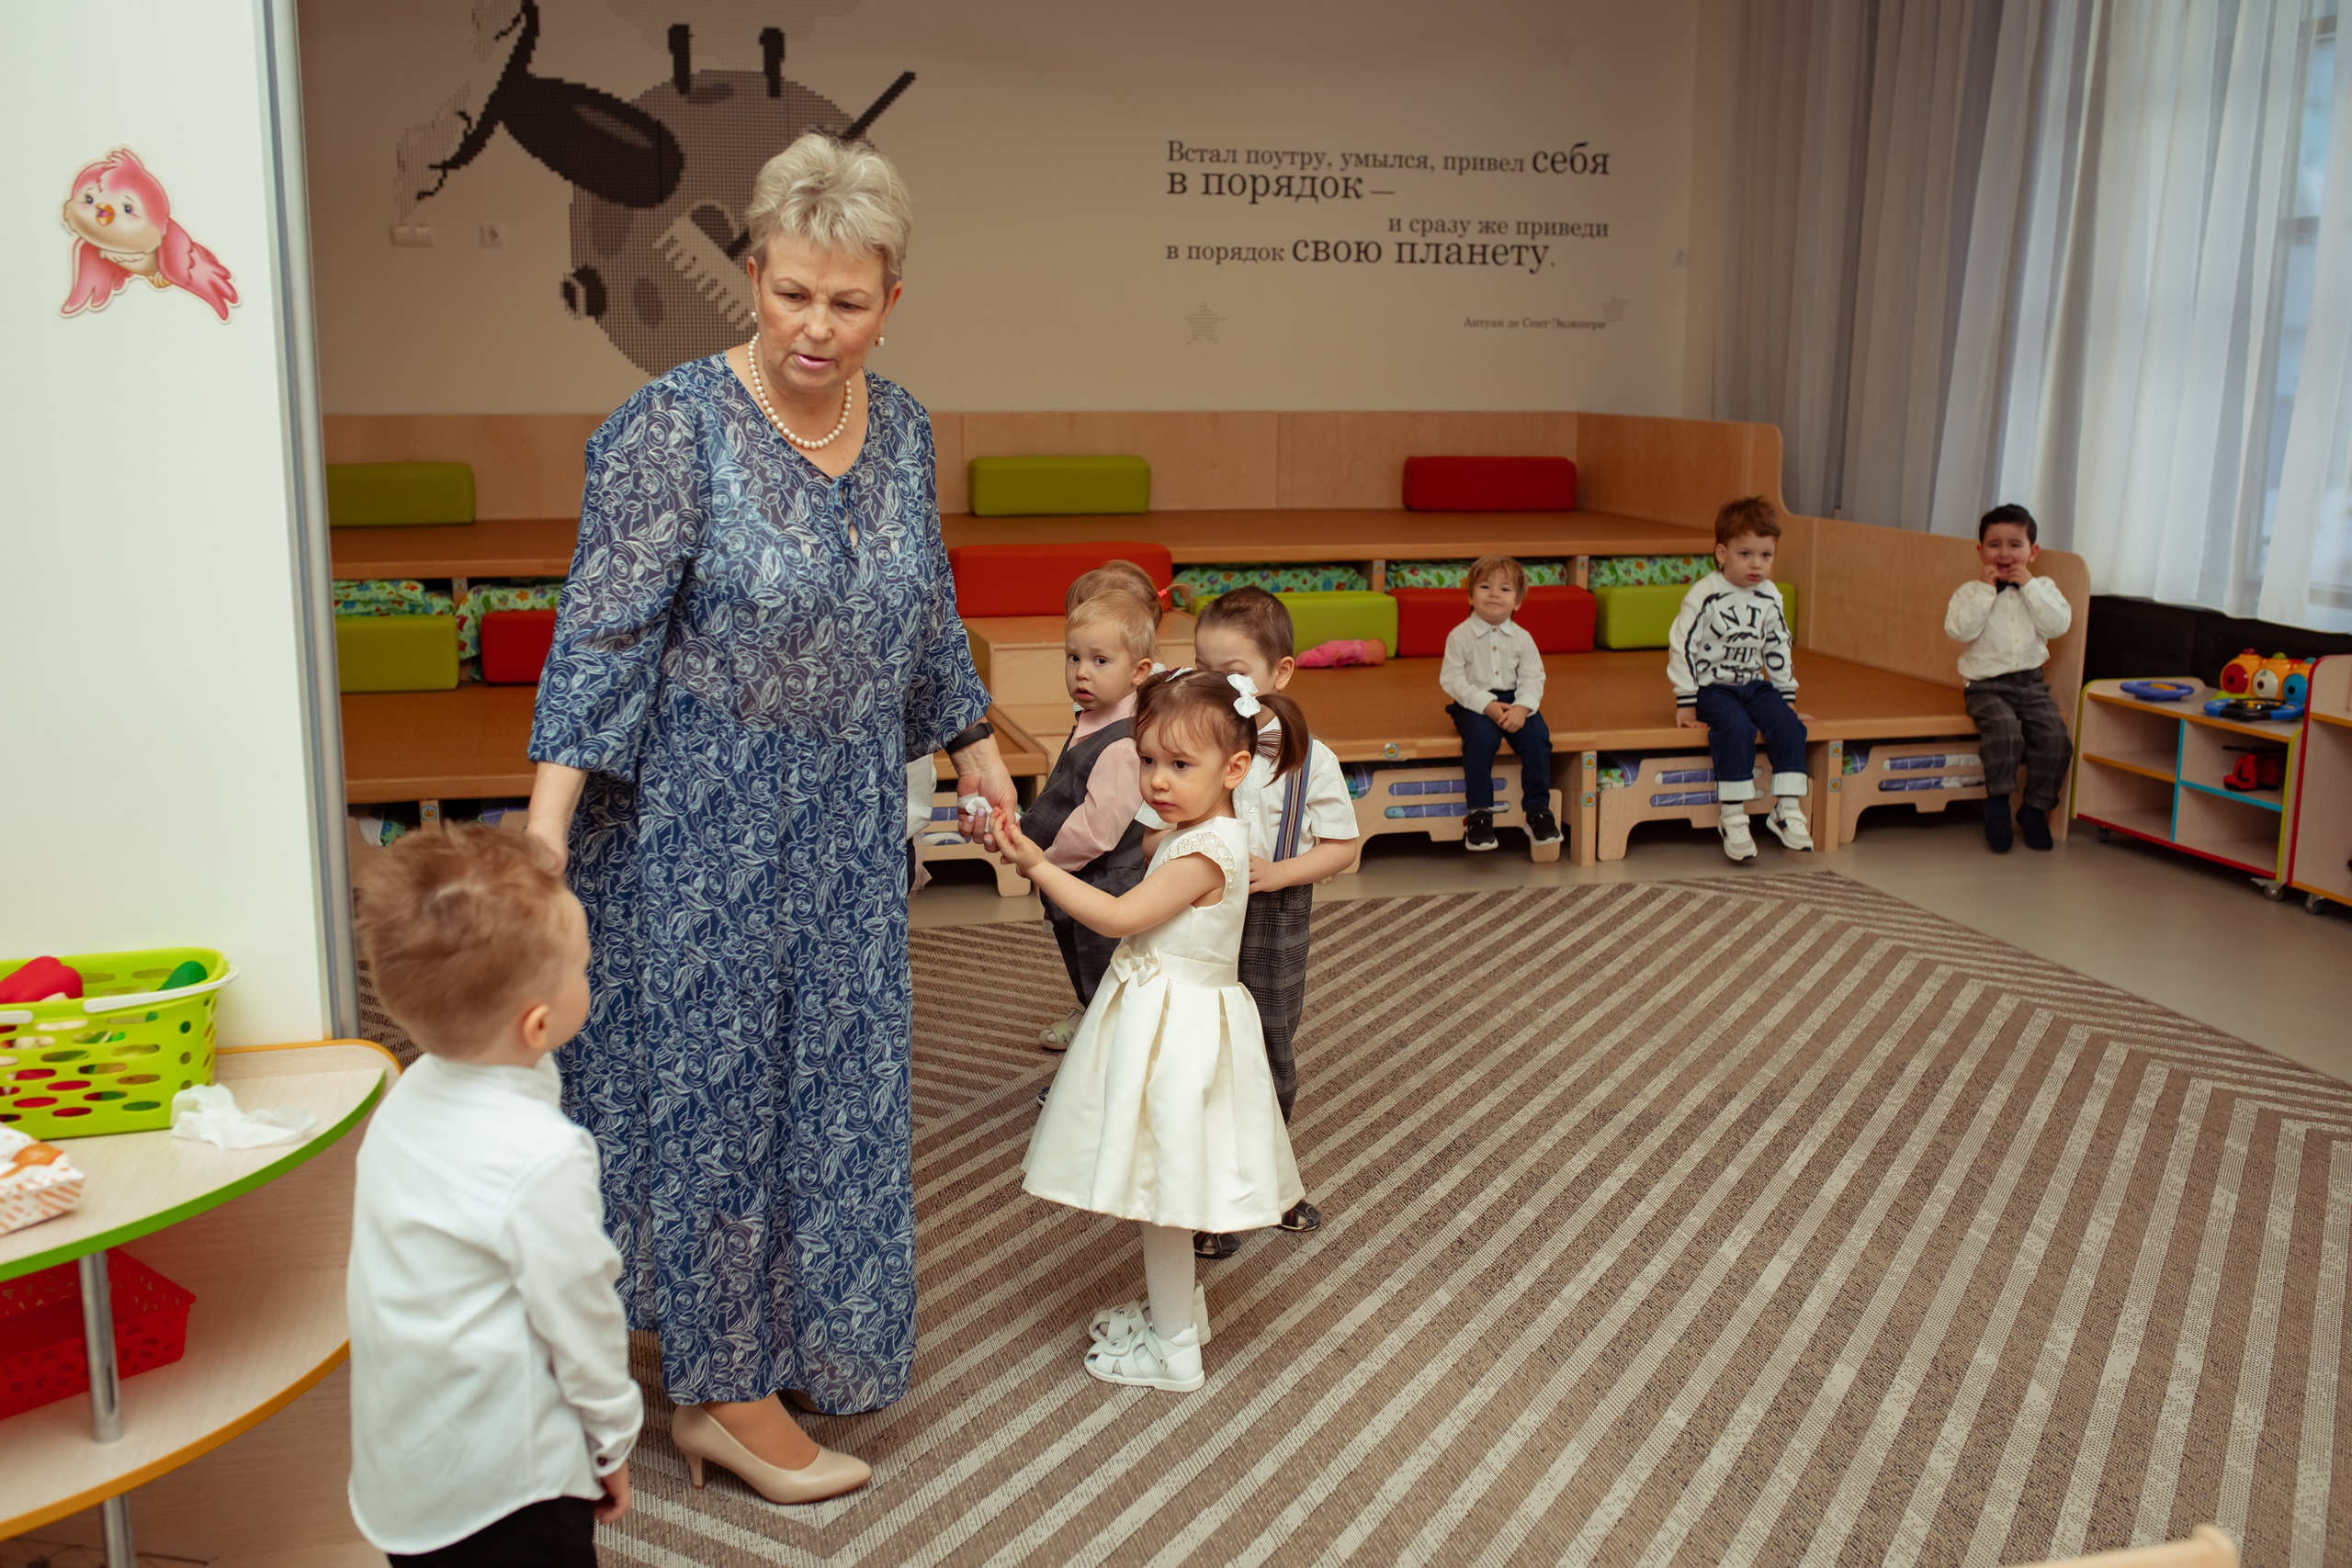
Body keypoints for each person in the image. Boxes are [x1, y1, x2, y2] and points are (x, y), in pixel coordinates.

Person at [524, 131, 1016, 1497]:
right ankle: (719, 1394)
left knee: (837, 1096)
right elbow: (600, 638)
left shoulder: (902, 427)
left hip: (853, 827)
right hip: (699, 829)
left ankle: (797, 1333)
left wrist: (974, 741)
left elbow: (925, 616)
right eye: (790, 292)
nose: (815, 326)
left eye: (846, 301)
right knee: (717, 1100)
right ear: (751, 273)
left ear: (891, 299)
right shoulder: (670, 427)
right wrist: (545, 835)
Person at [346, 824, 653, 1565]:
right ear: (539, 1022)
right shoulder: (541, 1157)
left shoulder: (408, 1091)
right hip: (508, 1482)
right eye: (581, 965)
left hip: (405, 1468)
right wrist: (611, 1437)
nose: (591, 972)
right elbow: (580, 1309)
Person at [998, 669, 1309, 1393]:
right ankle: (1179, 1314)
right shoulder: (1200, 830)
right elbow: (1151, 845)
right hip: (1168, 1017)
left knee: (1164, 1189)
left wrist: (1039, 863)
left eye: (1179, 765)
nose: (1157, 780)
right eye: (1146, 760)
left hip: (1180, 1032)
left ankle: (1174, 1351)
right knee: (1159, 1186)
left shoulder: (1207, 851)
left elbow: (1116, 917)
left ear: (1235, 769)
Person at [1178, 586, 1358, 1259]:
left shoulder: (1312, 758)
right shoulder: (1190, 746)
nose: (1215, 684)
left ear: (1280, 674)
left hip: (1274, 913)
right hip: (1199, 912)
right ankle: (1213, 1201)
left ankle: (1271, 1181)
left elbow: (1345, 847)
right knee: (1205, 1056)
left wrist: (1280, 873)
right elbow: (1145, 835)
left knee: (1269, 1053)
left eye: (1235, 672)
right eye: (1202, 668)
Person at [1029, 591, 1159, 1049]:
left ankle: (1108, 1063)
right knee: (1081, 964)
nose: (1082, 671)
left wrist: (1043, 860)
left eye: (1101, 660)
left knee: (1105, 972)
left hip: (1103, 880)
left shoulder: (1123, 742)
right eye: (1073, 657)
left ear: (1139, 672)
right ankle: (1094, 1027)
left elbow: (1097, 830)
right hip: (1074, 875)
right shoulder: (1092, 715)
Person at [1668, 496, 1812, 862]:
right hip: (1714, 688)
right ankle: (1732, 816)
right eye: (1745, 554)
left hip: (1754, 683)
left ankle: (1787, 810)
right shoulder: (1706, 594)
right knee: (1736, 728)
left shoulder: (1770, 595)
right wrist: (1686, 701)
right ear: (1721, 553)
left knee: (1789, 725)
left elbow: (1778, 647)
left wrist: (1786, 697)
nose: (1757, 565)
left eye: (1766, 555)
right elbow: (1682, 645)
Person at [1944, 502, 2075, 852]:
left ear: (2032, 552)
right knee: (2004, 730)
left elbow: (2057, 625)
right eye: (1994, 544)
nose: (2004, 553)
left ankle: (2035, 808)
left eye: (2015, 545)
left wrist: (2031, 588)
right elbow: (1960, 630)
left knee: (2056, 738)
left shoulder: (2044, 587)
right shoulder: (1970, 592)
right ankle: (1998, 804)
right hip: (1986, 686)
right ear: (1980, 550)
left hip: (2031, 684)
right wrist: (1987, 593)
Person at [1438, 558, 1562, 852]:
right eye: (1484, 587)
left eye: (1504, 589)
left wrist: (1522, 708)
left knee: (1537, 738)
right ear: (1470, 596)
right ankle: (1480, 814)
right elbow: (1452, 679)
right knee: (1481, 738)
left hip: (1516, 701)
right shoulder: (1460, 635)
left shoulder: (1523, 638)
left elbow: (1534, 678)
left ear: (1517, 601)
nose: (1494, 594)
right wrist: (1487, 705)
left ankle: (1538, 810)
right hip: (1474, 703)